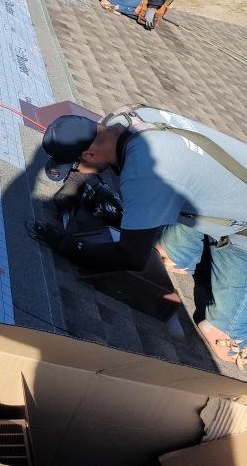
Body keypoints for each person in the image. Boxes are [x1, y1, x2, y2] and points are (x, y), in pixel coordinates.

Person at [34, 106, 247, 366]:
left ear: (89, 153)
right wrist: (73, 187)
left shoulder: (143, 172)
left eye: (74, 166)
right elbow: (94, 163)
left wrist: (67, 246)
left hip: (242, 225)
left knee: (217, 332)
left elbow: (131, 256)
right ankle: (190, 250)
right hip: (228, 184)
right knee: (168, 251)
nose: (74, 172)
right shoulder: (122, 118)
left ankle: (237, 334)